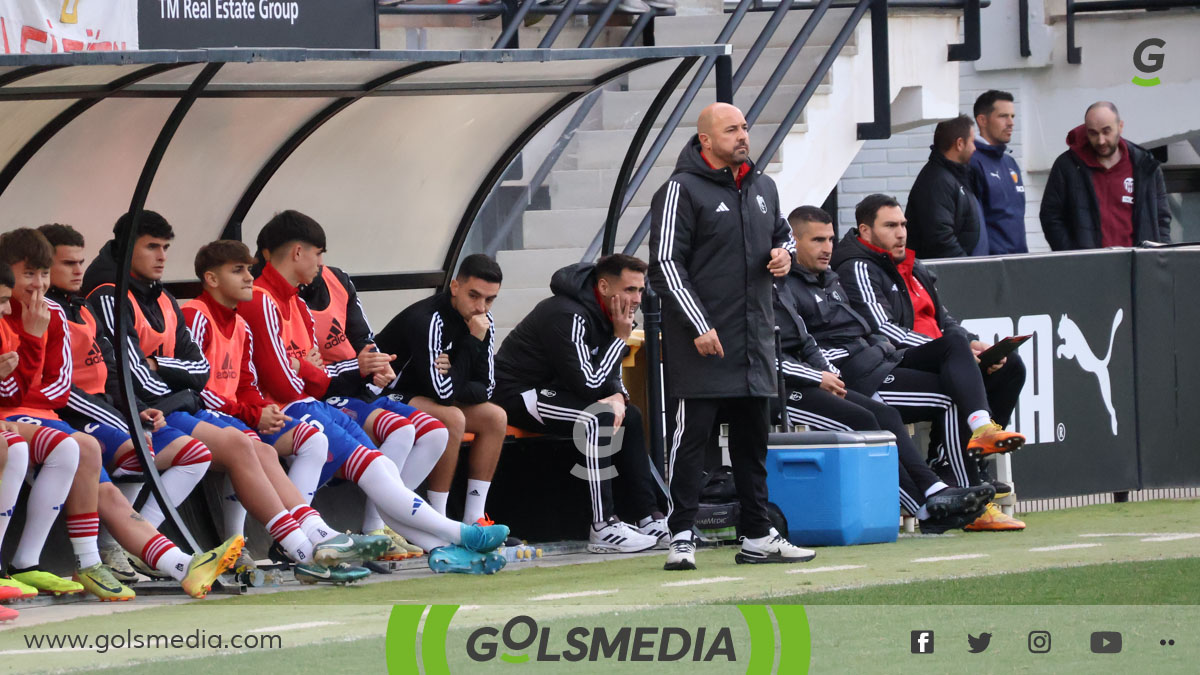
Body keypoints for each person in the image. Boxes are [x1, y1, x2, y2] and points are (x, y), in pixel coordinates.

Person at [84, 212, 384, 584]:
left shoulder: (166, 299)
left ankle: (316, 537)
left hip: (181, 408)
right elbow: (140, 378)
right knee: (245, 445)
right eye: (152, 247)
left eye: (165, 248)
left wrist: (165, 367)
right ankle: (304, 549)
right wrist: (186, 389)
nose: (162, 256)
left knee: (262, 449)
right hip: (151, 412)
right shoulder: (130, 300)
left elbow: (200, 371)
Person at [240, 215, 510, 575]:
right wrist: (331, 369)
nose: (321, 264)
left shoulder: (297, 304)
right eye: (318, 255)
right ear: (299, 252)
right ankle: (312, 545)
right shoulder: (262, 299)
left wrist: (317, 369)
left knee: (381, 468)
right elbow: (288, 383)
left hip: (314, 402)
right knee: (346, 446)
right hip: (285, 409)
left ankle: (445, 542)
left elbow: (315, 380)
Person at [778, 206, 1026, 528]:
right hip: (856, 375)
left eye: (830, 239)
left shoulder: (833, 279)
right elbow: (817, 343)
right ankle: (957, 499)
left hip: (879, 360)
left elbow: (932, 321)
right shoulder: (837, 273)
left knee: (964, 347)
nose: (828, 248)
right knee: (944, 396)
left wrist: (970, 341)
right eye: (818, 240)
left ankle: (978, 435)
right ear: (793, 244)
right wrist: (827, 372)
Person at [648, 102, 815, 571]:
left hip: (755, 339)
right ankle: (680, 533)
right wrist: (699, 324)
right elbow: (665, 263)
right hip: (703, 341)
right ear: (705, 139)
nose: (743, 136)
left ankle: (758, 535)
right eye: (731, 130)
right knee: (692, 440)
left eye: (745, 127)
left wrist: (784, 255)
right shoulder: (680, 190)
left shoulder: (763, 186)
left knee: (752, 443)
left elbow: (782, 236)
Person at [39, 223, 218, 582]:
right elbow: (60, 389)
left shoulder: (83, 307)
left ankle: (132, 549)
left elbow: (112, 371)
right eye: (67, 264)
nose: (78, 271)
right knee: (130, 447)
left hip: (107, 415)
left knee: (182, 452)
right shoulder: (48, 312)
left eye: (81, 262)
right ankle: (111, 557)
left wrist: (135, 409)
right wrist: (125, 420)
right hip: (69, 421)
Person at [494, 255, 668, 553]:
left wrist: (618, 394)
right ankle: (603, 526)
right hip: (518, 394)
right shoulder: (566, 314)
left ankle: (648, 517)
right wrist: (619, 339)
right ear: (603, 286)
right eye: (629, 290)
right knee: (596, 418)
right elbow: (588, 384)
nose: (637, 298)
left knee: (631, 416)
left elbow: (606, 373)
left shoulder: (614, 312)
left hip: (558, 391)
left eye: (640, 290)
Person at [298, 258, 447, 560]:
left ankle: (397, 519)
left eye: (321, 253)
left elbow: (365, 340)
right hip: (327, 393)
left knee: (436, 432)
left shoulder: (338, 279)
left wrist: (377, 366)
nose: (319, 262)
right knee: (401, 430)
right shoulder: (283, 297)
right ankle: (375, 528)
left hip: (358, 388)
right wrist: (357, 367)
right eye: (314, 253)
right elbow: (309, 373)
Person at [375, 253, 507, 527]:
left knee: (495, 417)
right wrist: (470, 344)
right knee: (452, 418)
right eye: (474, 295)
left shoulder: (484, 323)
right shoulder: (429, 319)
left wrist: (454, 371)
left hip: (431, 396)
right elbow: (444, 394)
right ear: (455, 287)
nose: (481, 307)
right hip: (387, 394)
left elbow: (488, 387)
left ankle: (475, 518)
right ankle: (438, 518)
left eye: (490, 299)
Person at [1039, 101, 1171, 250]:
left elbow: (1162, 220)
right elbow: (1050, 216)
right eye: (1093, 133)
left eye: (1106, 131)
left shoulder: (1146, 166)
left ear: (1120, 127)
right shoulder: (1067, 166)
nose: (1101, 140)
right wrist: (1072, 256)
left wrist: (1161, 257)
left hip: (1137, 267)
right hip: (1087, 267)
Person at [906, 115, 986, 258]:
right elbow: (940, 239)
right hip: (953, 276)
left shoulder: (956, 175)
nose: (975, 148)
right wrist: (969, 269)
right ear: (960, 143)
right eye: (972, 141)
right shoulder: (937, 182)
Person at [968, 90, 1028, 255]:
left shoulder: (1010, 162)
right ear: (982, 120)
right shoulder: (972, 162)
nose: (1011, 123)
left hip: (1019, 262)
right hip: (992, 266)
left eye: (1012, 116)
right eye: (1003, 116)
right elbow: (973, 224)